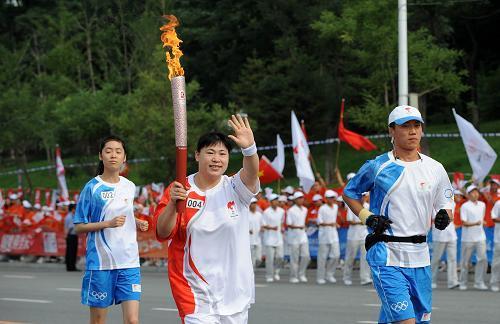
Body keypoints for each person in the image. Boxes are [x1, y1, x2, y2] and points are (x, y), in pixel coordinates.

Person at [343, 105, 453, 324]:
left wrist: (444, 216)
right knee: (406, 322)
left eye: (416, 125)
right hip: (387, 254)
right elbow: (350, 192)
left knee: (416, 321)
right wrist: (367, 216)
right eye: (405, 126)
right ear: (392, 131)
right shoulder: (378, 166)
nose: (412, 131)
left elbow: (446, 203)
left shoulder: (435, 168)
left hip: (420, 255)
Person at [153, 115, 259, 324]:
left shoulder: (235, 188)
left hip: (234, 289)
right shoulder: (180, 189)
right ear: (197, 155)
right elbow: (163, 232)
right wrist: (174, 204)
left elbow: (252, 172)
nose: (216, 159)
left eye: (222, 153)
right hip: (193, 289)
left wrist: (250, 149)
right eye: (210, 153)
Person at [74, 136, 149, 324]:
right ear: (101, 155)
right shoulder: (92, 188)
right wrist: (108, 223)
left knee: (132, 321)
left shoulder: (129, 186)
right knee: (98, 321)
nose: (113, 155)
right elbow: (79, 226)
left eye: (118, 151)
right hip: (101, 264)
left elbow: (124, 214)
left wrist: (136, 221)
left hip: (129, 261)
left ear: (124, 157)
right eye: (108, 151)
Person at [459, 184, 488, 291]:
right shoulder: (465, 206)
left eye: (477, 192)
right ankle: (462, 282)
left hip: (480, 237)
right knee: (465, 262)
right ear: (468, 194)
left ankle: (479, 282)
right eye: (473, 192)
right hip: (468, 239)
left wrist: (481, 222)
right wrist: (476, 223)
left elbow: (482, 218)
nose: (475, 194)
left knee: (482, 259)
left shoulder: (482, 205)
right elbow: (464, 222)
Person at [430, 196, 459, 289]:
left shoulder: (452, 203)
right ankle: (431, 281)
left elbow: (452, 217)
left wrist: (448, 218)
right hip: (439, 235)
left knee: (452, 259)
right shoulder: (434, 203)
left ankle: (453, 281)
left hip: (451, 235)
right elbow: (435, 218)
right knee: (436, 259)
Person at [343, 192, 371, 286]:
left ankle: (365, 278)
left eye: (363, 196)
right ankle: (346, 277)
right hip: (353, 236)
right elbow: (350, 221)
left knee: (365, 257)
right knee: (350, 257)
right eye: (360, 196)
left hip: (364, 235)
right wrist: (362, 222)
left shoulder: (368, 206)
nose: (362, 198)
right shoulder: (352, 206)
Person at [316, 189, 340, 284]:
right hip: (324, 235)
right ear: (326, 199)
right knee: (322, 257)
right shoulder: (322, 208)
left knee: (336, 255)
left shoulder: (335, 207)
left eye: (333, 198)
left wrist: (335, 224)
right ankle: (320, 277)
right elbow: (319, 222)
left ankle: (329, 274)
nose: (332, 199)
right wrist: (330, 224)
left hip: (334, 235)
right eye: (330, 198)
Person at [286, 191, 310, 283]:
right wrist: (298, 226)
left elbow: (305, 221)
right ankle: (293, 276)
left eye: (302, 198)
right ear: (295, 200)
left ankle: (302, 274)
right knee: (294, 258)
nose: (301, 200)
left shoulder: (305, 209)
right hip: (294, 236)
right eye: (299, 198)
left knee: (306, 256)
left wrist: (305, 226)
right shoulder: (291, 210)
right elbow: (289, 224)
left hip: (303, 235)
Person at [262, 193, 285, 282]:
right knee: (270, 259)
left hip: (278, 238)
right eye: (274, 200)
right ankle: (269, 275)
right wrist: (271, 227)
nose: (276, 202)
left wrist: (281, 228)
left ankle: (276, 272)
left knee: (280, 257)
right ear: (271, 202)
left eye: (277, 200)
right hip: (269, 239)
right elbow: (264, 225)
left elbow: (282, 222)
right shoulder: (266, 212)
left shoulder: (281, 211)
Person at [64, 203, 79, 272]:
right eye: (75, 208)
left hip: (73, 235)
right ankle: (70, 266)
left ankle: (72, 266)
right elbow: (70, 227)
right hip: (71, 235)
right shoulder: (70, 217)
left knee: (72, 251)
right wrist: (66, 236)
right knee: (71, 251)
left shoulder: (72, 216)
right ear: (72, 209)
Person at [249, 198, 263, 268]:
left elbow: (262, 224)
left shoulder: (259, 214)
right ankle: (252, 274)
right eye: (252, 203)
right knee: (251, 259)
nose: (254, 205)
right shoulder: (246, 214)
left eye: (255, 203)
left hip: (258, 239)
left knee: (258, 258)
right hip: (249, 240)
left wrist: (262, 228)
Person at [491, 199, 500, 292]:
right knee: (497, 263)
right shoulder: (498, 203)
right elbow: (493, 217)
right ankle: (494, 283)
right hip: (499, 239)